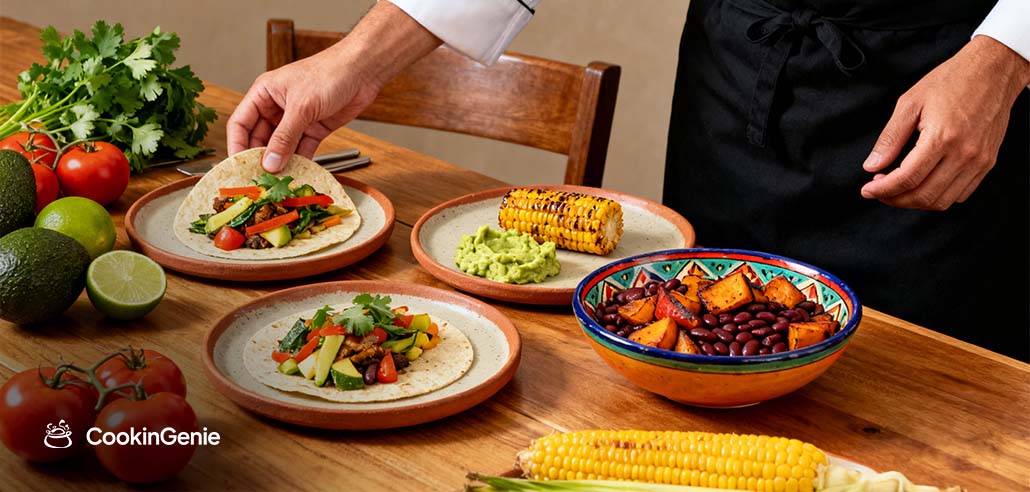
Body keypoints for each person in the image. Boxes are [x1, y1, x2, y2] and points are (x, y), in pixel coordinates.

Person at [227, 0, 1030, 360]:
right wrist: (357, 62)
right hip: (745, 63)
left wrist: (1009, 51)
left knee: (924, 389)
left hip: (950, 76)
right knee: (693, 350)